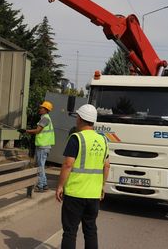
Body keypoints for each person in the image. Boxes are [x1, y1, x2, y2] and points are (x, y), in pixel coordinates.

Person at [56, 104, 109, 249]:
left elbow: (68, 164)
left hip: (75, 193)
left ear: (80, 118)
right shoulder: (103, 140)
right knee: (90, 230)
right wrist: (102, 186)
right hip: (93, 195)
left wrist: (60, 186)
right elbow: (107, 165)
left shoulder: (76, 138)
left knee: (70, 231)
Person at [19, 101, 55, 192]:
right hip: (44, 146)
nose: (40, 109)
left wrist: (25, 131)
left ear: (46, 110)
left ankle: (40, 185)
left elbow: (38, 131)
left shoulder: (45, 119)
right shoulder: (46, 118)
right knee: (41, 165)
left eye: (41, 108)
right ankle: (44, 184)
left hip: (43, 146)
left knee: (40, 166)